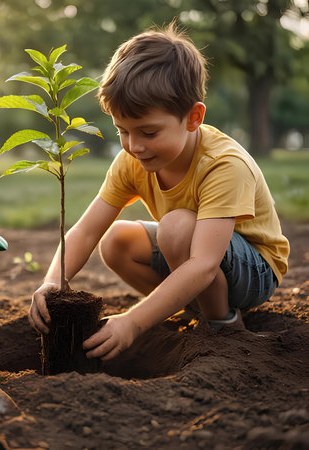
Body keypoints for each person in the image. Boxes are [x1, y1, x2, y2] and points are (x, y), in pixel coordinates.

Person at [28, 22, 290, 361]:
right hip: (197, 258)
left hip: (254, 268)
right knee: (116, 241)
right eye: (123, 130)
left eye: (149, 132)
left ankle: (222, 322)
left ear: (193, 117)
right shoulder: (131, 160)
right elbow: (87, 229)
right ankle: (186, 306)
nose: (134, 146)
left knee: (177, 226)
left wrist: (133, 323)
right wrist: (52, 281)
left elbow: (203, 265)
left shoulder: (223, 164)